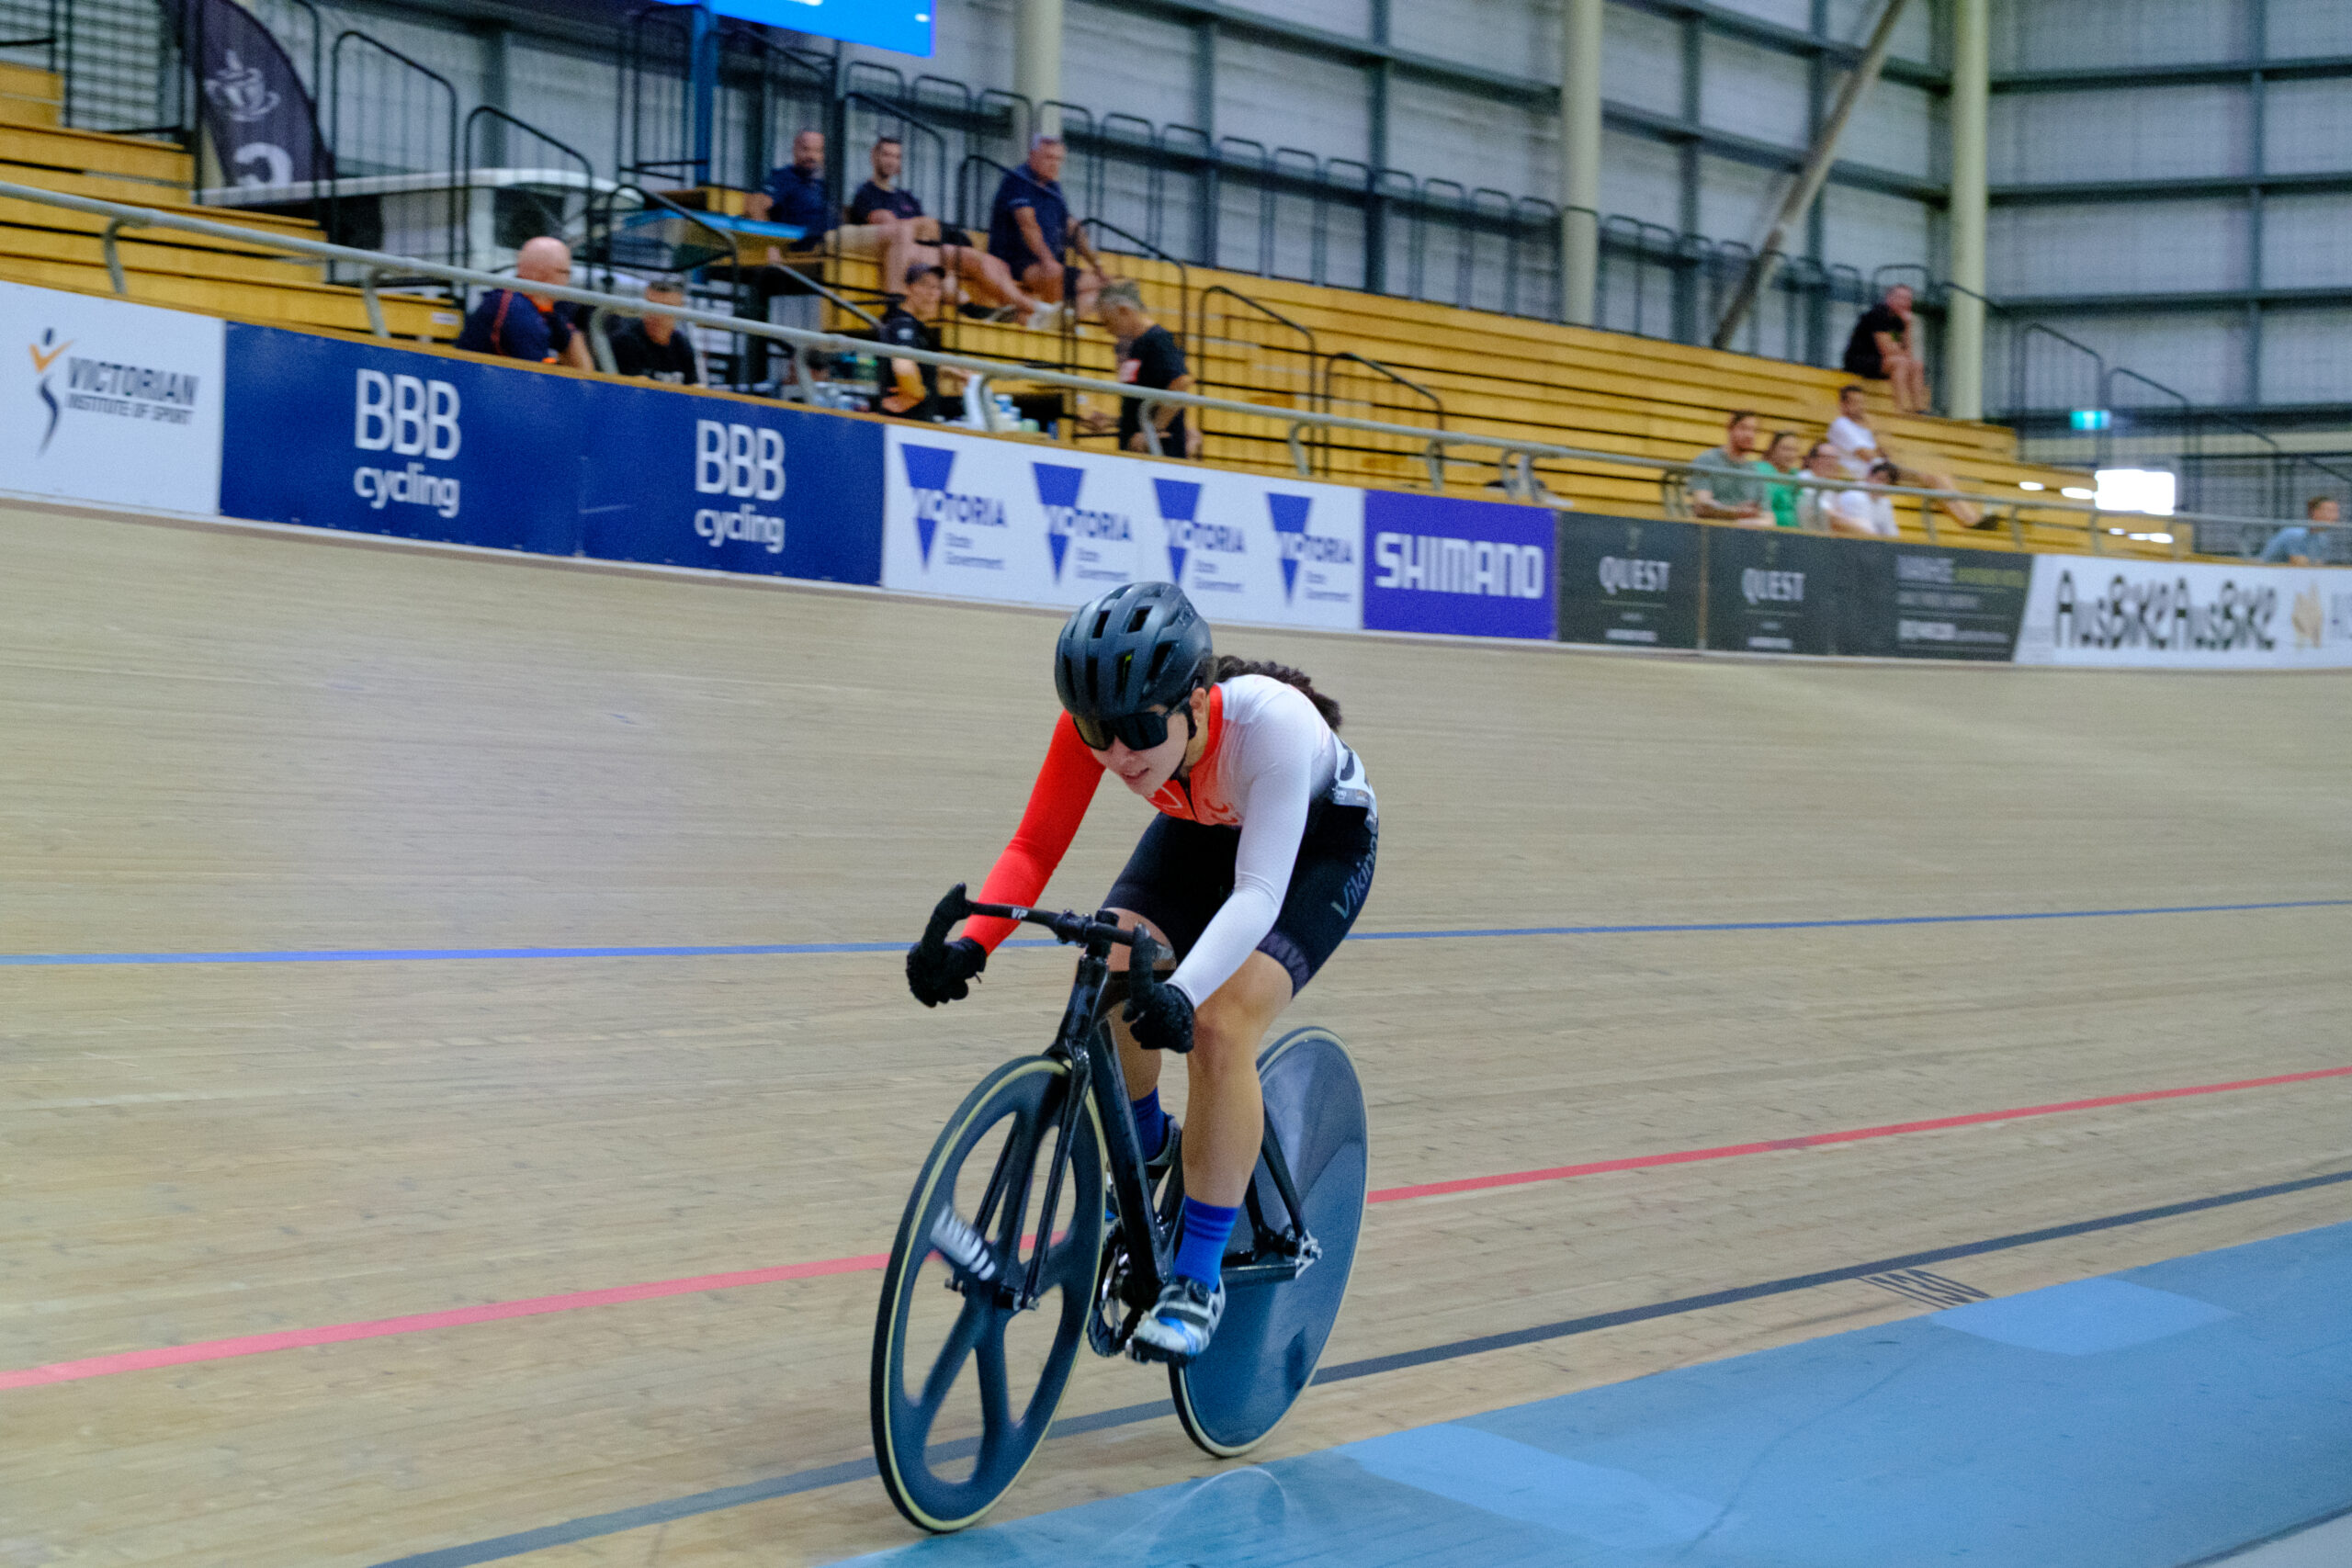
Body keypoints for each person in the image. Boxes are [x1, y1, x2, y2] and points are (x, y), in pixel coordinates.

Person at [904, 581, 1378, 1360]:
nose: (1118, 754)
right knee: (1114, 960)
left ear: (1193, 703)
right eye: (1099, 731)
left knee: (1219, 1026)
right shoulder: (1107, 729)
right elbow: (1032, 848)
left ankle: (1197, 1278)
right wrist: (973, 945)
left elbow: (1259, 894)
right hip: (1206, 822)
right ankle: (1150, 1141)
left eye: (1138, 730)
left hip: (1315, 850)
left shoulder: (1271, 727)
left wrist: (1184, 991)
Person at [844, 136, 1049, 324]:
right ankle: (987, 308)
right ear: (874, 156)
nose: (891, 161)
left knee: (984, 260)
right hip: (901, 251)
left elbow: (930, 230)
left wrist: (925, 227)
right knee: (935, 258)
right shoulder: (867, 193)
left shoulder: (907, 198)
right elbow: (888, 224)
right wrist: (921, 225)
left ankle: (1026, 310)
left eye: (896, 156)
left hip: (926, 248)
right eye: (887, 155)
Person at [1824, 385, 1984, 528]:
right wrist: (1878, 447)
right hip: (1872, 476)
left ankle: (1970, 518)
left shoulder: (1863, 429)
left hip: (1883, 471)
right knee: (1933, 478)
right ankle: (1970, 520)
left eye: (1861, 403)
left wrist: (1875, 432)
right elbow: (1868, 456)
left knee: (1941, 477)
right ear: (1843, 404)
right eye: (1855, 402)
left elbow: (1884, 453)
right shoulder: (1841, 424)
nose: (1860, 407)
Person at [986, 135, 1105, 316]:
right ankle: (1053, 325)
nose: (1054, 164)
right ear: (1032, 156)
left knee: (1102, 285)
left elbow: (1071, 227)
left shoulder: (1053, 188)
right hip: (1015, 263)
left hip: (1044, 264)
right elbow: (1028, 226)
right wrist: (1048, 261)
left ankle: (1061, 321)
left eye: (1058, 159)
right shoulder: (1018, 180)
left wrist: (1098, 266)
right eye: (1049, 157)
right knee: (1054, 273)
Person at [1080, 280, 1199, 458]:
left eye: (1108, 322)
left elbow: (1181, 382)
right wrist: (1112, 421)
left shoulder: (1159, 340)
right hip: (1137, 453)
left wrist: (1153, 431)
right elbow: (1144, 404)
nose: (1107, 330)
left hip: (1160, 454)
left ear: (1124, 311)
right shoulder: (1136, 346)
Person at [456, 236, 593, 370]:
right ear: (543, 272)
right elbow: (537, 377)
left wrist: (572, 335)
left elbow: (584, 370)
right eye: (565, 272)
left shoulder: (546, 309)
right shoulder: (516, 309)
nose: (568, 279)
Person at [874, 264, 965, 422]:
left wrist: (950, 371)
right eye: (925, 285)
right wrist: (914, 395)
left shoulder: (913, 326)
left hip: (916, 421)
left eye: (937, 288)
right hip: (906, 422)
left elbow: (915, 362)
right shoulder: (902, 324)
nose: (931, 293)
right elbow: (903, 364)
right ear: (909, 288)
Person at [1842, 284, 1928, 413]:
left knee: (1917, 365)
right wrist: (1902, 353)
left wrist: (1908, 326)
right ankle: (1901, 409)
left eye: (1908, 299)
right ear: (1889, 298)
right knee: (1900, 363)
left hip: (1881, 362)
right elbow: (1886, 350)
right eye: (1900, 298)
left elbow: (1908, 354)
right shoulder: (1878, 314)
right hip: (1859, 360)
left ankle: (1919, 409)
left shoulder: (1899, 321)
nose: (1904, 302)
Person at [745, 128, 832, 254]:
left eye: (817, 151)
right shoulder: (784, 178)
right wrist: (769, 246)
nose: (811, 156)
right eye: (806, 149)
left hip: (828, 251)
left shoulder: (823, 186)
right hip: (798, 254)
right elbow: (755, 205)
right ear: (795, 150)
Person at [608, 281, 702, 385]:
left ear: (679, 311)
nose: (657, 314)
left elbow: (693, 387)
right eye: (651, 305)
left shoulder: (682, 345)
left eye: (667, 307)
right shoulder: (625, 340)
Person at [1686, 411, 1773, 524]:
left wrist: (1743, 522)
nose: (1749, 435)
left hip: (1744, 531)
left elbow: (1769, 518)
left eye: (1753, 430)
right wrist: (1738, 513)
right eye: (1744, 428)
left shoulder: (1755, 472)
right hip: (1712, 530)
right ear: (1730, 429)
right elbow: (1702, 506)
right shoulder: (1707, 461)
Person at [1824, 458, 1902, 539]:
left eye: (1888, 483)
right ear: (1869, 476)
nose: (1882, 486)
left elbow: (1892, 533)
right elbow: (1864, 531)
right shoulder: (1853, 496)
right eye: (1880, 479)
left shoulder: (1885, 503)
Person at [2259, 497, 2338, 564]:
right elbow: (2300, 564)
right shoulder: (2296, 534)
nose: (2335, 516)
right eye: (2330, 511)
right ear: (2313, 512)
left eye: (2336, 511)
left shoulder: (2322, 539)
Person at [1758, 430, 1805, 529]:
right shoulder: (1762, 469)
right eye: (1786, 449)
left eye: (1794, 450)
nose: (1790, 454)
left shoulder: (1796, 475)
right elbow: (1764, 505)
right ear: (1773, 449)